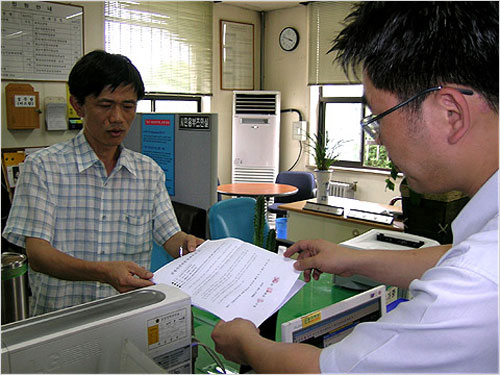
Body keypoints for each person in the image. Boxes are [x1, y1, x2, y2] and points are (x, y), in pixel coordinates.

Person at [211, 2, 498, 373]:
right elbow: (454, 259)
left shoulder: (475, 285)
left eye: (379, 118)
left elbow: (330, 370)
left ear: (451, 114)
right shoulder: (483, 255)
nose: (378, 140)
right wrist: (351, 259)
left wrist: (247, 345)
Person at [2, 50, 204, 316]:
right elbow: (38, 256)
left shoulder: (148, 172)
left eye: (128, 106)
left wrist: (189, 247)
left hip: (127, 315)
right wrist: (103, 272)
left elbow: (170, 237)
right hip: (62, 318)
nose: (118, 117)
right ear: (78, 105)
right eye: (106, 105)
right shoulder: (43, 168)